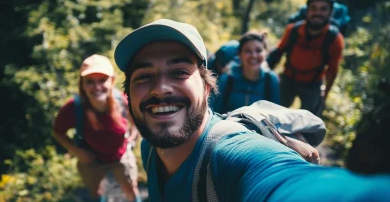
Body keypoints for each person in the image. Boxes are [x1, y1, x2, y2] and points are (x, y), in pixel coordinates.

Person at [114, 19, 390, 201]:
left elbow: (284, 180)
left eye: (179, 72)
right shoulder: (151, 148)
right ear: (128, 96)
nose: (160, 89)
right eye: (143, 76)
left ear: (207, 89)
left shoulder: (234, 157)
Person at [52, 54, 141, 201]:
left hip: (121, 156)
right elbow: (58, 132)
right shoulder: (73, 108)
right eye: (90, 82)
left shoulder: (123, 101)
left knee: (131, 189)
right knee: (96, 194)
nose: (97, 87)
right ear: (82, 84)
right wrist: (77, 151)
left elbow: (137, 120)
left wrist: (133, 136)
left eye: (102, 80)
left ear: (112, 81)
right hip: (91, 160)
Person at [267, 0, 345, 116]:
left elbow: (332, 70)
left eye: (323, 9)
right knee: (272, 116)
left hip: (313, 84)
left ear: (330, 12)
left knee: (310, 124)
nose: (317, 13)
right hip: (287, 79)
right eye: (313, 8)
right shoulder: (293, 30)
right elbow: (278, 53)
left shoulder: (335, 39)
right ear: (307, 10)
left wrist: (325, 93)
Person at [211, 31, 280, 114]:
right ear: (239, 55)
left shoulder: (271, 80)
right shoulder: (228, 78)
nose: (253, 55)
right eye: (247, 51)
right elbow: (214, 111)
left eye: (258, 50)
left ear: (265, 53)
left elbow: (276, 115)